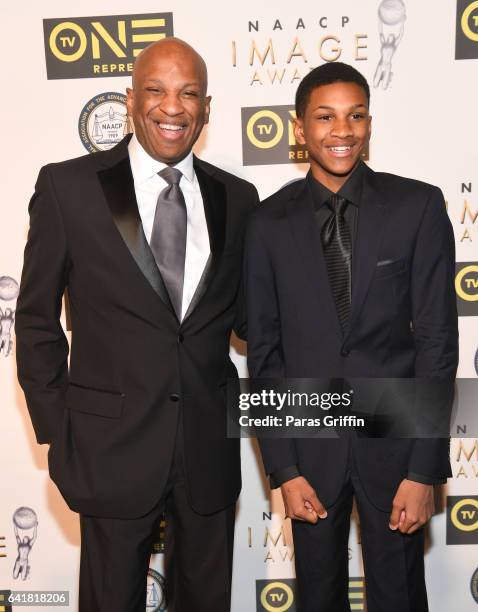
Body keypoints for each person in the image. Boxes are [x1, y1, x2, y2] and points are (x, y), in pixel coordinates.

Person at [16, 37, 258, 612]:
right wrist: (59, 435)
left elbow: (256, 324)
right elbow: (34, 322)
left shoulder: (240, 199)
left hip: (207, 448)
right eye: (156, 90)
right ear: (130, 99)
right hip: (108, 448)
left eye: (188, 93)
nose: (172, 107)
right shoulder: (67, 188)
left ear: (207, 107)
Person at [245, 62, 458, 612]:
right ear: (299, 128)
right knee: (317, 597)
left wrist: (423, 470)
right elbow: (265, 355)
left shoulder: (417, 207)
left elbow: (437, 345)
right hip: (310, 452)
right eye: (325, 117)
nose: (342, 130)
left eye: (355, 115)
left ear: (369, 122)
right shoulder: (267, 225)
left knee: (399, 596)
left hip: (396, 454)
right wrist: (284, 469)